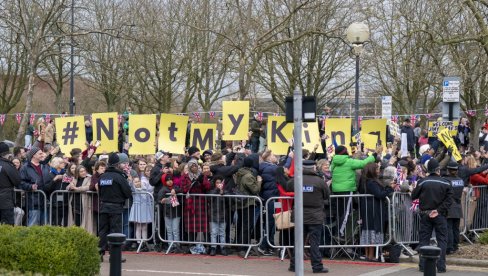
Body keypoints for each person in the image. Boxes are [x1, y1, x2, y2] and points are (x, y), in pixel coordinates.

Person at [286, 160, 330, 273]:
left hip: (300, 215)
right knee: (314, 243)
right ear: (314, 168)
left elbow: (288, 187)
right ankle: (317, 266)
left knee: (298, 242)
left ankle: (294, 265)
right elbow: (327, 195)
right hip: (315, 216)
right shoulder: (319, 181)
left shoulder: (296, 180)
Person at [411, 159, 453, 273]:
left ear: (428, 170)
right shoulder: (446, 183)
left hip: (425, 214)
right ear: (438, 170)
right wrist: (438, 210)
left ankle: (423, 266)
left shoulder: (422, 181)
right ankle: (441, 266)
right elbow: (449, 201)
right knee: (442, 241)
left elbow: (413, 195)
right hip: (440, 215)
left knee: (424, 240)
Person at [97, 153, 133, 262]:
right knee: (115, 231)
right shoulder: (119, 177)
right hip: (116, 208)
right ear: (117, 164)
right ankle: (114, 255)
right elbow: (127, 193)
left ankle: (99, 253)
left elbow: (100, 191)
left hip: (104, 206)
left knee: (103, 231)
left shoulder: (102, 176)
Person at [358, 163, 396, 261]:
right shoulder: (371, 182)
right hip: (373, 209)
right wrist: (389, 188)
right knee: (372, 230)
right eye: (377, 169)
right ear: (372, 171)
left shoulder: (365, 181)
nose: (379, 171)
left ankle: (368, 255)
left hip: (368, 208)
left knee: (368, 230)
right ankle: (370, 256)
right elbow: (379, 194)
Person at [234, 156, 261, 258]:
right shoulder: (248, 176)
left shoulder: (240, 173)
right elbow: (255, 190)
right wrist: (259, 181)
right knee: (246, 226)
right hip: (248, 203)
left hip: (241, 203)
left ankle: (241, 246)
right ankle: (243, 248)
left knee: (241, 225)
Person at [19, 146, 49, 226]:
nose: (42, 155)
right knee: (33, 225)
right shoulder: (25, 168)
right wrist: (30, 186)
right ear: (33, 155)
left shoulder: (45, 166)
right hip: (33, 202)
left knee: (45, 226)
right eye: (40, 153)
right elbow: (21, 182)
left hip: (45, 201)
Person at [158, 174, 183, 253]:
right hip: (167, 213)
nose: (169, 181)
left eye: (171, 179)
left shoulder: (175, 187)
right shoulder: (163, 189)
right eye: (167, 180)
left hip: (176, 212)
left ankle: (176, 245)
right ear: (164, 181)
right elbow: (159, 199)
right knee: (169, 230)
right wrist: (162, 200)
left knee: (175, 230)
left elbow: (181, 189)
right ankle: (170, 245)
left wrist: (175, 191)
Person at [443, 161, 464, 255]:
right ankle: (456, 246)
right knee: (456, 228)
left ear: (448, 169)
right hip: (458, 206)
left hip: (449, 206)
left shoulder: (446, 181)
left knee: (449, 228)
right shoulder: (461, 180)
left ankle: (449, 247)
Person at [129, 176, 153, 252]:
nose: (137, 183)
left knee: (145, 227)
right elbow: (131, 186)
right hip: (138, 208)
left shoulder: (145, 189)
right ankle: (139, 242)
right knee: (138, 227)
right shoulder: (134, 190)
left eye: (138, 181)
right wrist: (130, 180)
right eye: (135, 182)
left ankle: (144, 242)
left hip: (145, 208)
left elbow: (151, 187)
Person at [0, 142, 21, 225]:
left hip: (5, 199)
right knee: (7, 226)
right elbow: (17, 181)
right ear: (6, 154)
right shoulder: (7, 165)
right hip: (6, 201)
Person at [208, 175, 228, 256]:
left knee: (222, 232)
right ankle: (213, 248)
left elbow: (229, 201)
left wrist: (223, 193)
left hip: (223, 215)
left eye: (220, 183)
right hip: (213, 215)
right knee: (213, 232)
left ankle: (223, 248)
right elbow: (210, 198)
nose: (219, 184)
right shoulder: (212, 191)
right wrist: (217, 189)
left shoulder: (225, 191)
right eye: (217, 183)